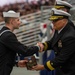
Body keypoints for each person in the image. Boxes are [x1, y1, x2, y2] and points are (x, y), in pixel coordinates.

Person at [31, 8, 75, 75]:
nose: (52, 23)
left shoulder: (70, 36)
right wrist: (43, 46)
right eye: (52, 20)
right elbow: (53, 42)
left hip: (69, 70)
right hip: (61, 69)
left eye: (55, 20)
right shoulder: (60, 28)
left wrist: (43, 67)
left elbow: (62, 58)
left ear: (64, 20)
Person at [0, 10, 41, 75]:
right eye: (18, 20)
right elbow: (25, 51)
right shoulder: (8, 35)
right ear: (12, 21)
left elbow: (4, 56)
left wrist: (16, 63)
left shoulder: (2, 33)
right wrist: (38, 47)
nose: (20, 22)